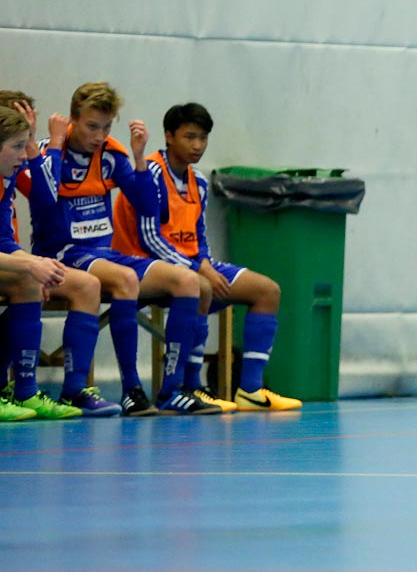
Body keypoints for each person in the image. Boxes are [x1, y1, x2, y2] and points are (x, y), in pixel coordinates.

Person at [29, 83, 221, 415]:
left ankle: (170, 392)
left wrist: (137, 157)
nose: (98, 135)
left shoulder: (111, 154)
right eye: (91, 126)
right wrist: (57, 145)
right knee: (125, 280)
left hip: (104, 254)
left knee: (188, 282)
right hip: (62, 253)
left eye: (106, 126)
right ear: (72, 119)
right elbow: (43, 205)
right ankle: (131, 390)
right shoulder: (49, 150)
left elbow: (149, 208)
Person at [113, 103, 301, 411]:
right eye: (189, 137)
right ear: (169, 136)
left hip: (190, 266)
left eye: (203, 138)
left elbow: (198, 237)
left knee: (267, 290)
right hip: (143, 266)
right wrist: (198, 268)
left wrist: (205, 263)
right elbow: (149, 240)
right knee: (200, 285)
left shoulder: (198, 182)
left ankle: (251, 390)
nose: (197, 145)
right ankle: (190, 385)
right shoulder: (150, 173)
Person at [0, 102, 84, 420]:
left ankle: (25, 391)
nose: (24, 156)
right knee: (28, 273)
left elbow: (4, 240)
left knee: (30, 282)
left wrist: (34, 264)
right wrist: (29, 264)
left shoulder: (4, 178)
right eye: (18, 147)